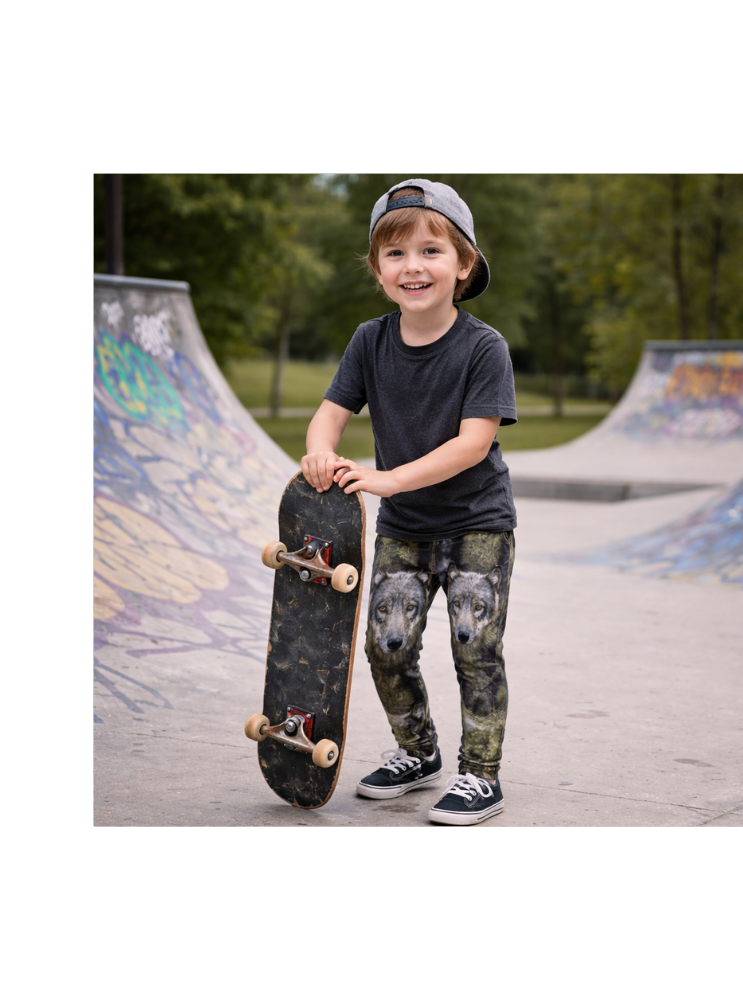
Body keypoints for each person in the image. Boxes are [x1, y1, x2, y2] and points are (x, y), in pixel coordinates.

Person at [301, 179, 517, 826]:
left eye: (430, 251)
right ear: (377, 270)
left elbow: (473, 444)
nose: (412, 266)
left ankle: (480, 775)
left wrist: (389, 479)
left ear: (464, 264)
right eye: (394, 254)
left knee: (474, 647)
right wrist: (319, 452)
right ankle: (418, 752)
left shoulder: (484, 348)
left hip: (478, 524)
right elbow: (329, 414)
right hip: (404, 529)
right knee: (386, 648)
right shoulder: (370, 341)